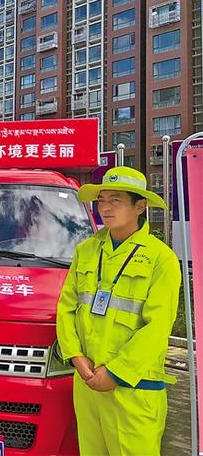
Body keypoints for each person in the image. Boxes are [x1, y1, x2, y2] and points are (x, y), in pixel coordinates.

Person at [56, 166, 181, 455]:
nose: (106, 208)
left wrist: (114, 373)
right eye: (102, 200)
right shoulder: (86, 250)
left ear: (140, 206)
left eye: (116, 200)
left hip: (134, 388)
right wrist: (76, 357)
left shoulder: (160, 258)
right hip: (87, 382)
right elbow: (66, 308)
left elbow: (157, 326)